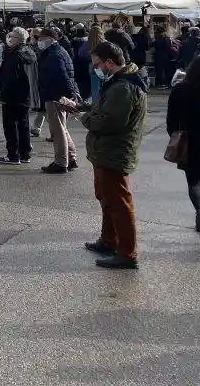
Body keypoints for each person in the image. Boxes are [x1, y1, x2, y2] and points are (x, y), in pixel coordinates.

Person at [60, 41, 148, 269]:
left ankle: (127, 253)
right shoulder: (120, 82)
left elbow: (109, 122)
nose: (95, 68)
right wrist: (82, 107)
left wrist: (83, 117)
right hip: (107, 151)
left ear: (109, 62)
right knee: (107, 199)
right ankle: (109, 241)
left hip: (114, 151)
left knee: (119, 203)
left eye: (97, 64)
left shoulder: (123, 87)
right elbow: (106, 110)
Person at [166, 54, 200, 242]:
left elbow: (171, 122)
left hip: (190, 143)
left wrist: (175, 136)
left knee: (194, 182)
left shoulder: (180, 90)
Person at [37, 26, 81, 174]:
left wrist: (67, 95)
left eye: (41, 39)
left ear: (50, 39)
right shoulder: (59, 51)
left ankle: (61, 162)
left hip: (55, 96)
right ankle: (71, 157)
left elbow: (62, 76)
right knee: (62, 128)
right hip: (59, 95)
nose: (39, 41)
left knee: (57, 131)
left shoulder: (53, 55)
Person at [0, 27, 39, 165]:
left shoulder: (15, 55)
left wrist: (2, 94)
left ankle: (13, 155)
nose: (10, 39)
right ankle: (24, 153)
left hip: (12, 95)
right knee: (23, 124)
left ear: (18, 39)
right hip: (26, 95)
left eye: (13, 37)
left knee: (11, 125)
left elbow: (9, 77)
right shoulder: (30, 53)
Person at [71, 26, 91, 100]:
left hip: (76, 63)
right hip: (85, 65)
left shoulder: (74, 41)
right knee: (85, 84)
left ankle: (80, 97)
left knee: (79, 83)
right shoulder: (87, 42)